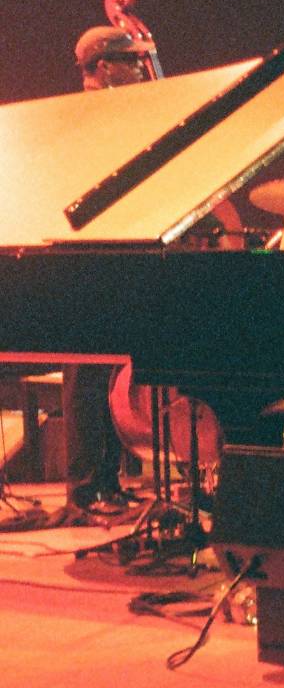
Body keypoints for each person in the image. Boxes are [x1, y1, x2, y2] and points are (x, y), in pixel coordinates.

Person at [60, 26, 156, 520]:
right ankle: (84, 486)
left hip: (113, 248)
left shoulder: (119, 114)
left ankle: (107, 479)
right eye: (129, 61)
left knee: (110, 373)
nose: (141, 68)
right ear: (100, 68)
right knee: (87, 376)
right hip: (84, 256)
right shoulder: (84, 115)